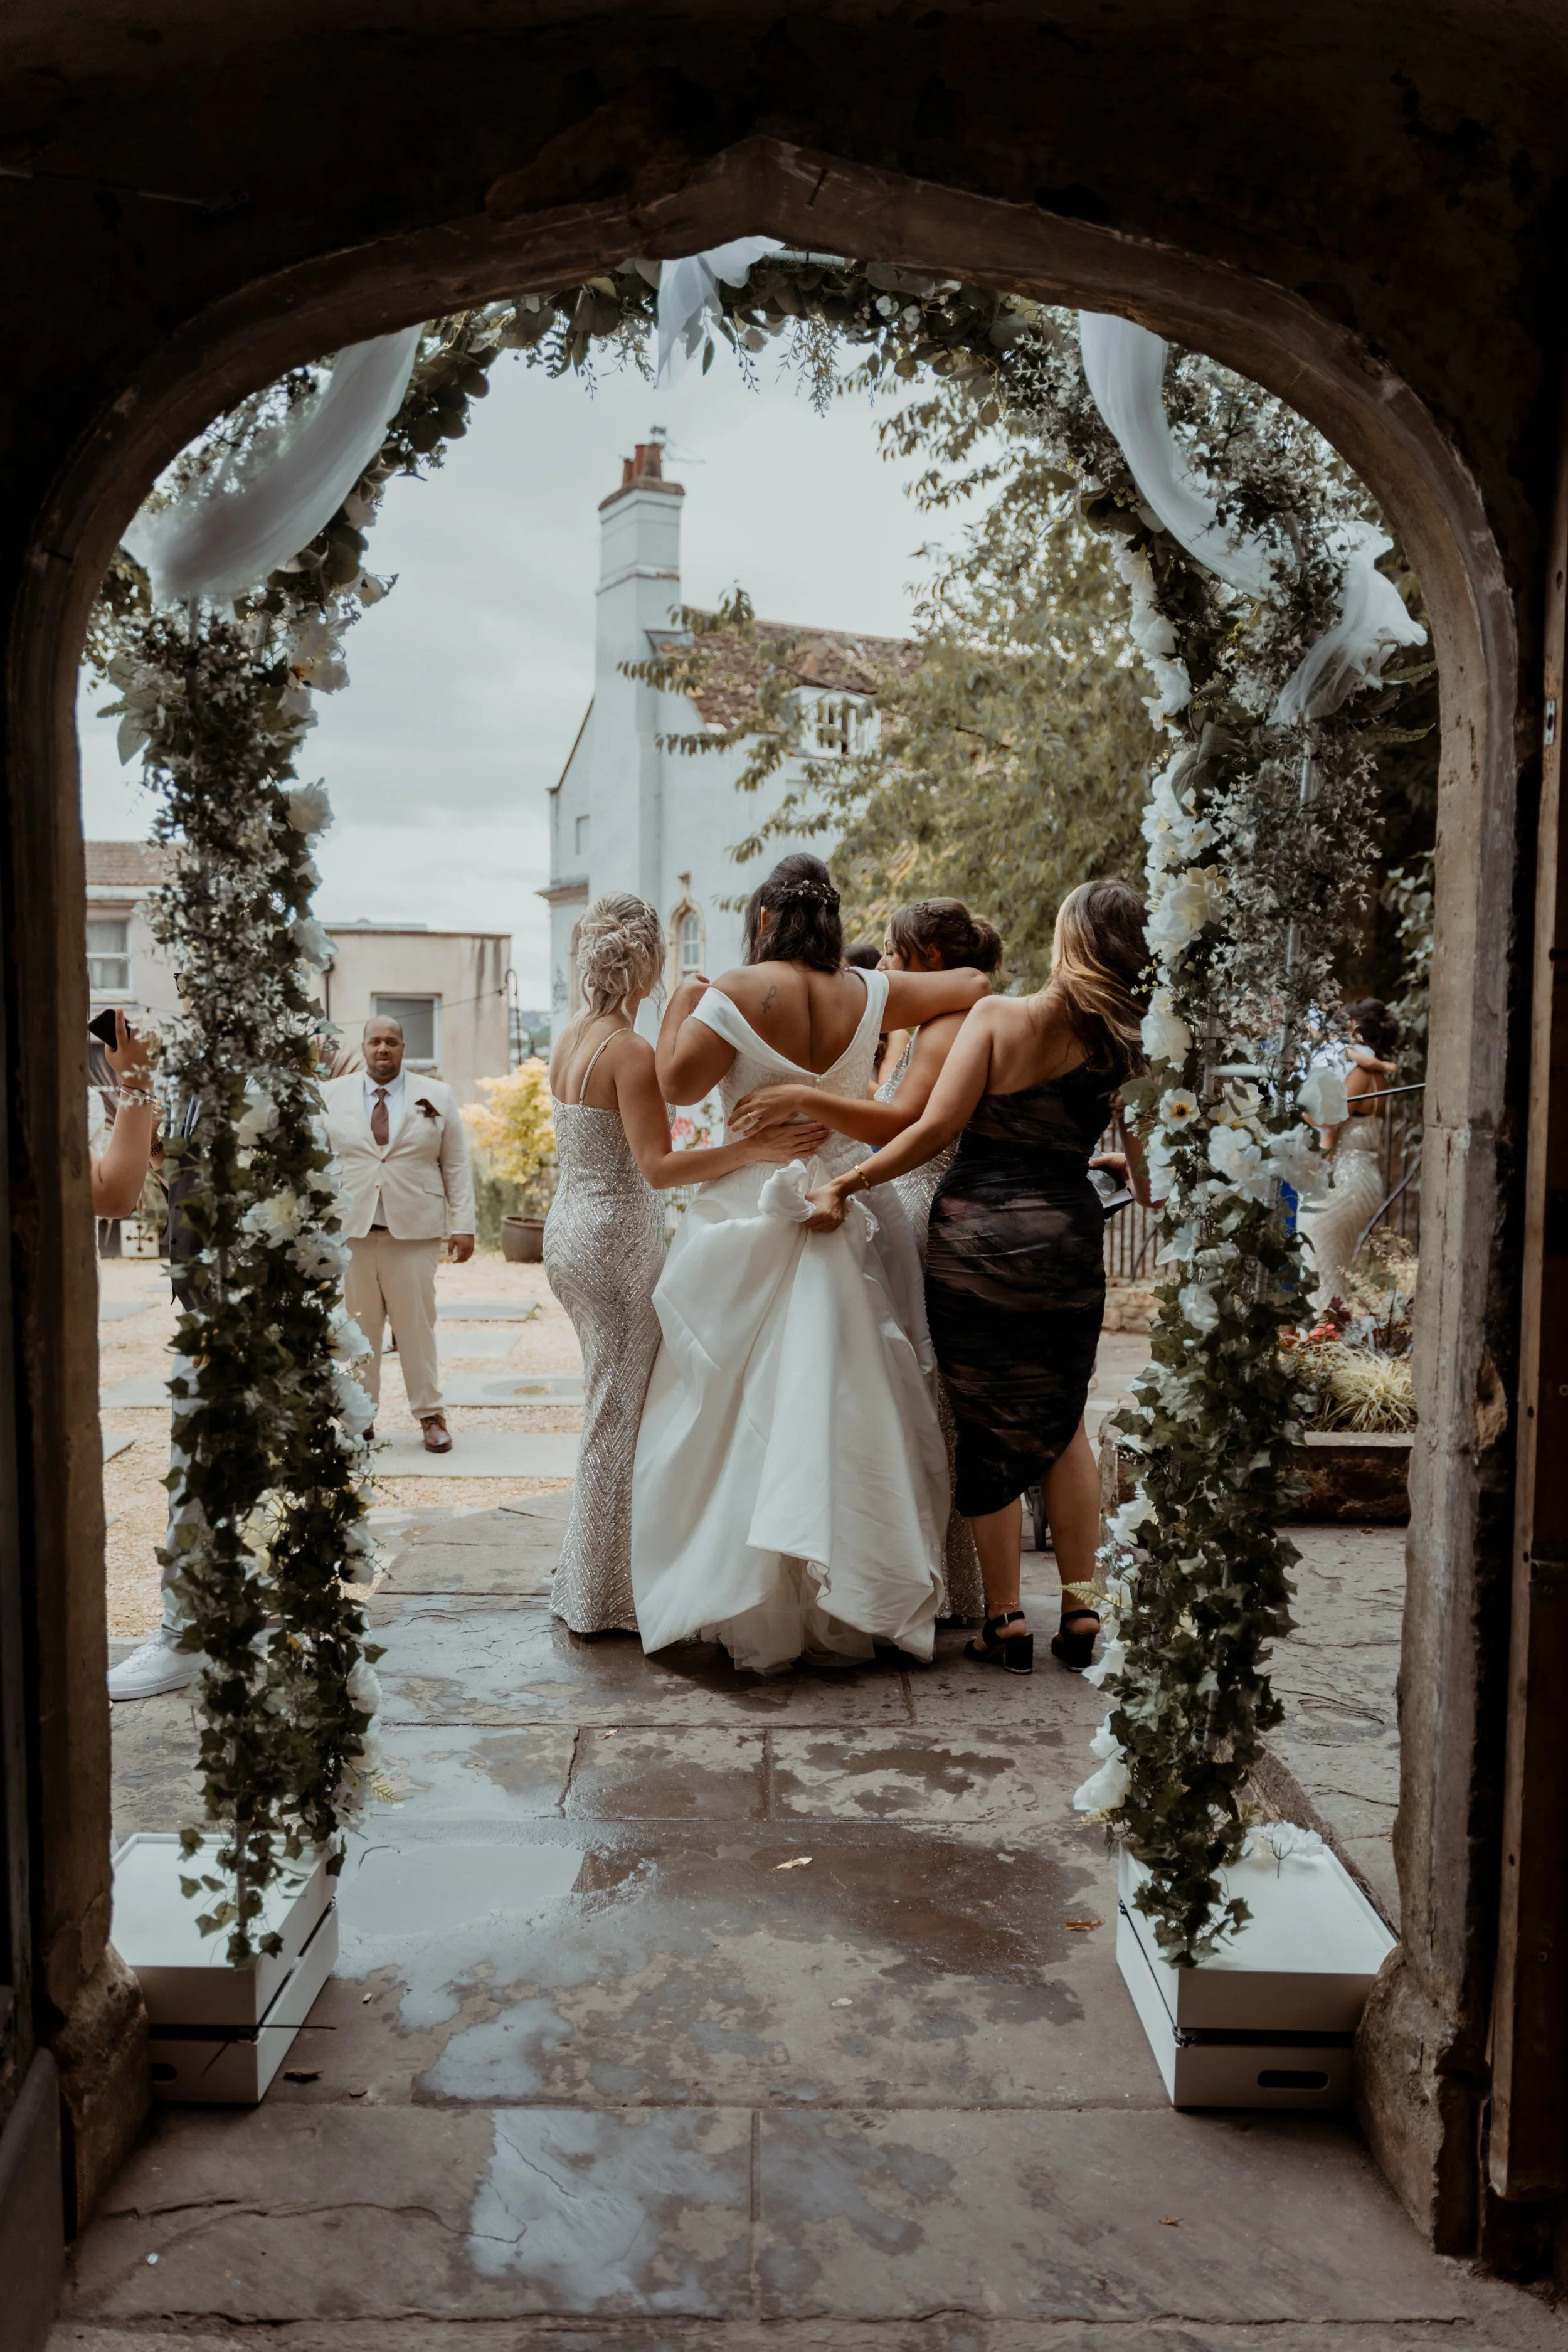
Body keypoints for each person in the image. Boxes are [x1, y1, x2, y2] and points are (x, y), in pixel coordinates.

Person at [630, 852, 991, 1675]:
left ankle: (745, 1591)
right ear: (832, 921)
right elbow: (972, 986)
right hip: (852, 1204)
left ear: (763, 919)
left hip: (750, 1206)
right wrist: (906, 1064)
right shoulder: (872, 992)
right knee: (849, 1396)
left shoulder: (730, 990)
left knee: (734, 1407)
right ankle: (854, 1596)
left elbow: (680, 1087)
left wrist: (684, 1003)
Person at [803, 879, 1151, 1678]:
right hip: (1066, 1235)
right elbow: (1144, 1175)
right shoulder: (1127, 1044)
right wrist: (1083, 1157)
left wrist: (845, 1184)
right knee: (1061, 1419)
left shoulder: (1000, 1018)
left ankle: (1003, 1621)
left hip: (978, 1240)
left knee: (987, 1421)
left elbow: (932, 1130)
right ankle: (1080, 1604)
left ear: (1070, 941)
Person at [545, 895, 824, 1636]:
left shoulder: (571, 1037)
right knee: (619, 1413)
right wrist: (755, 1151)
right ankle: (604, 1598)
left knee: (604, 1401)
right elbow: (661, 1167)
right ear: (646, 967)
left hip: (566, 1231)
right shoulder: (629, 1051)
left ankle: (586, 1576)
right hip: (614, 1240)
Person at [731, 897, 1004, 1621]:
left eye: (894, 952)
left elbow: (900, 1119)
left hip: (923, 1205)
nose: (882, 962)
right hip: (896, 1196)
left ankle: (947, 1582)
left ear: (930, 963)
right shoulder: (915, 1024)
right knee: (903, 1386)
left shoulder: (947, 1023)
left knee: (928, 1390)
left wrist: (807, 1100)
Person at [320, 1015, 475, 1453]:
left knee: (416, 1327)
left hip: (415, 1232)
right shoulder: (330, 1096)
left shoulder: (437, 1095)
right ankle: (361, 1416)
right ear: (364, 1047)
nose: (382, 1049)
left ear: (404, 1047)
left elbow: (456, 1165)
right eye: (374, 1042)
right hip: (351, 1231)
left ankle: (430, 1415)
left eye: (391, 1042)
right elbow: (317, 1162)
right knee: (357, 1330)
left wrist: (463, 1225)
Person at [1298, 997, 1399, 1309]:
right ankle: (1332, 1335)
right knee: (1330, 1266)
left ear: (1354, 1030)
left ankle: (1321, 1337)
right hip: (1360, 1177)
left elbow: (1327, 1119)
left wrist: (1294, 1099)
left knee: (1318, 1265)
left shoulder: (1359, 1074)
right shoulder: (1374, 1073)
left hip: (1344, 1181)